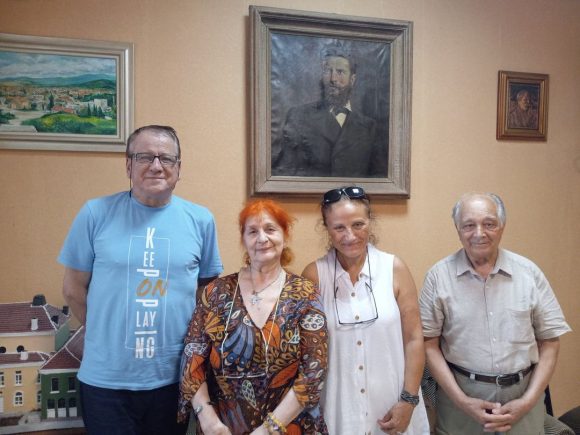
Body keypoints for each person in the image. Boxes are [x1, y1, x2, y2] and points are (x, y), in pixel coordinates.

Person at [59, 125, 223, 434]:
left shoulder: (201, 221)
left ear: (178, 168)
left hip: (173, 378)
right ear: (128, 165)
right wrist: (105, 333)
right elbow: (73, 289)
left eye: (166, 158)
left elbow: (207, 294)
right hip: (106, 382)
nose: (156, 166)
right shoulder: (95, 213)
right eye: (144, 157)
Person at [419, 192, 571, 434]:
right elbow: (428, 344)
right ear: (458, 229)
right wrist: (463, 401)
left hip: (523, 397)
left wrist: (528, 401)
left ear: (502, 226)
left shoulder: (529, 273)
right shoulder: (438, 277)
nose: (479, 233)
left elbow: (550, 342)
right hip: (460, 402)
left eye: (489, 224)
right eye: (469, 225)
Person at [178, 199, 328, 434]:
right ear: (243, 239)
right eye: (253, 231)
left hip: (288, 426)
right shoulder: (215, 293)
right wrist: (208, 419)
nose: (262, 238)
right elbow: (192, 356)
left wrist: (270, 429)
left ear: (285, 235)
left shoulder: (305, 294)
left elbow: (313, 371)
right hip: (222, 428)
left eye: (270, 229)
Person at [302, 186, 430, 435]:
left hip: (393, 406)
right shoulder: (314, 275)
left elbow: (414, 339)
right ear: (327, 228)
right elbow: (307, 352)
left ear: (370, 222)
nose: (350, 235)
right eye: (339, 227)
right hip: (339, 410)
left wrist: (409, 400)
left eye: (358, 224)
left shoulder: (394, 268)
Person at [272, 45, 386, 178]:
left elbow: (379, 178)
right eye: (327, 71)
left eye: (340, 72)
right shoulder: (299, 116)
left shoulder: (370, 127)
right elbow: (284, 170)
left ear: (352, 79)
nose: (333, 79)